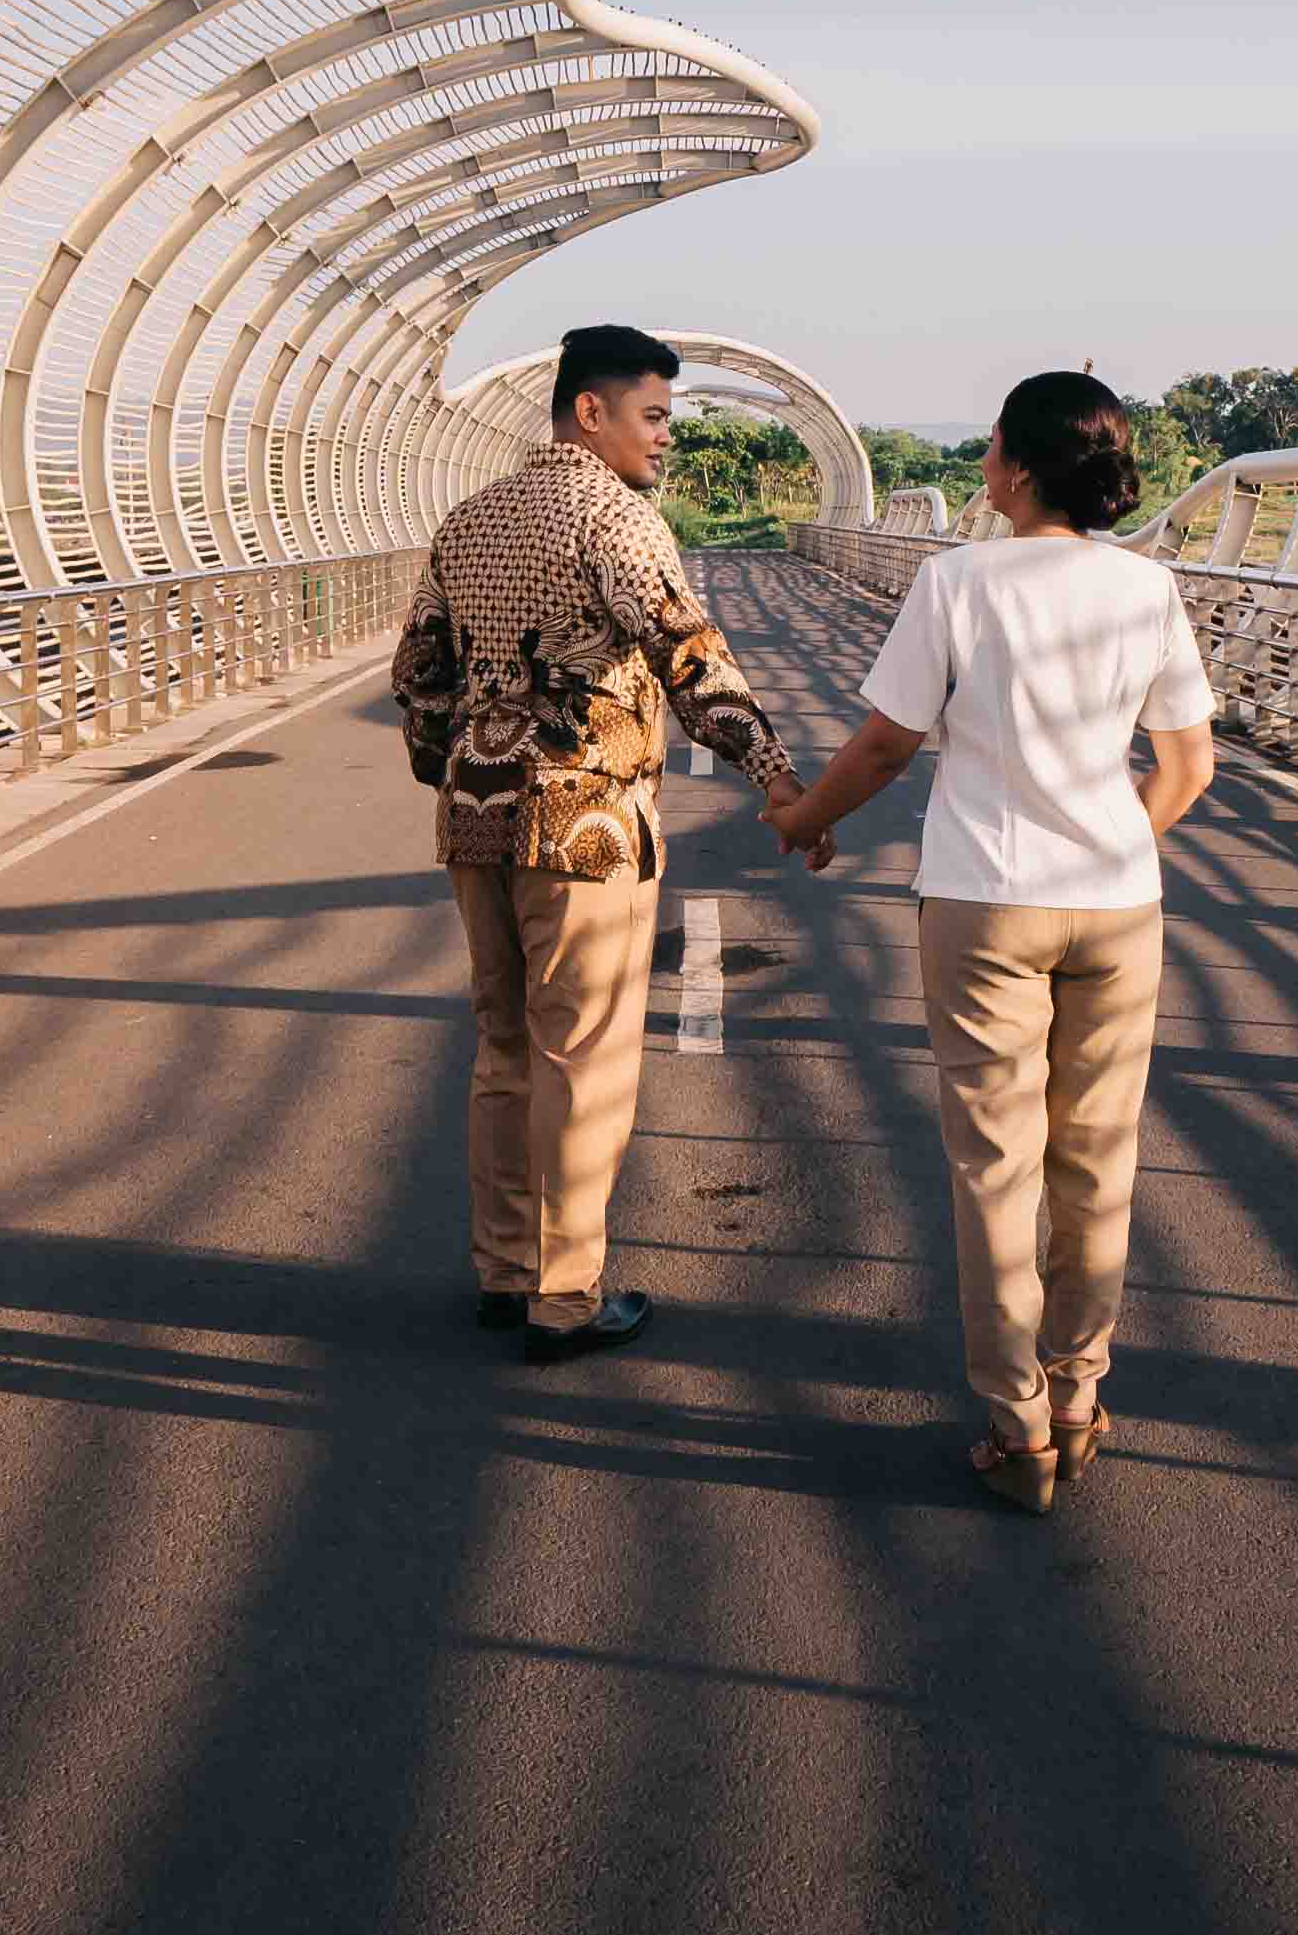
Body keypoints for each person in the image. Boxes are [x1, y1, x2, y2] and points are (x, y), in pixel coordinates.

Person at [767, 368, 1215, 1508]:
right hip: (1119, 902)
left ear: (1017, 467)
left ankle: (1017, 1427)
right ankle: (1080, 1394)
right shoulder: (1146, 588)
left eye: (989, 450)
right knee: (1097, 1161)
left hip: (985, 902)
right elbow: (1187, 768)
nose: (979, 468)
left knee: (995, 1168)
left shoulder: (956, 579)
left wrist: (802, 823)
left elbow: (881, 748)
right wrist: (1109, 840)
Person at [390, 321, 795, 1358]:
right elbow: (691, 661)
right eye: (653, 417)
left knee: (505, 1048)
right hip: (588, 825)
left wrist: (447, 764)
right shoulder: (614, 518)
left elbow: (421, 677)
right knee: (586, 1058)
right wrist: (775, 777)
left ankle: (503, 1270)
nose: (664, 440)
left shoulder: (469, 518)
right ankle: (565, 1297)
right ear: (591, 411)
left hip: (475, 818)